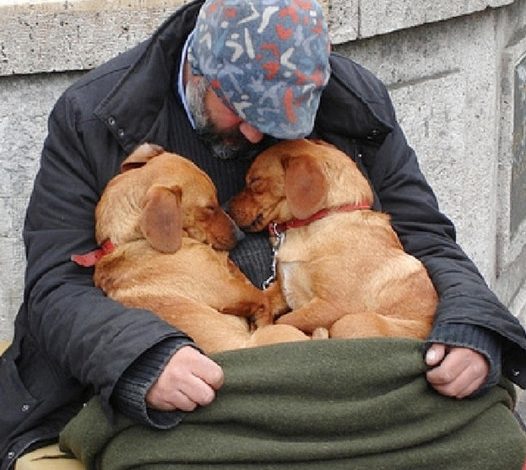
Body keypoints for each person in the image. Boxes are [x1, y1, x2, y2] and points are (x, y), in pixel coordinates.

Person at [1, 0, 525, 468]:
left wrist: (471, 327)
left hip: (322, 364)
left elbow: (427, 235)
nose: (256, 134)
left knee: (490, 436)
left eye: (279, 121)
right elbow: (54, 286)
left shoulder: (352, 98)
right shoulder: (96, 114)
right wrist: (142, 357)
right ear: (196, 67)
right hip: (187, 369)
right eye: (241, 110)